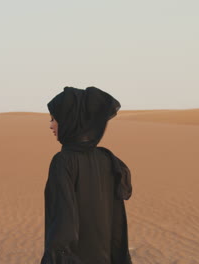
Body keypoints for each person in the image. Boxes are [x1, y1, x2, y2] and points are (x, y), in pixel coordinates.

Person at [41, 87, 133, 264]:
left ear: (71, 120)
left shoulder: (63, 161)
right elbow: (117, 225)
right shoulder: (108, 159)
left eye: (54, 119)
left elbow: (63, 222)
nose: (51, 125)